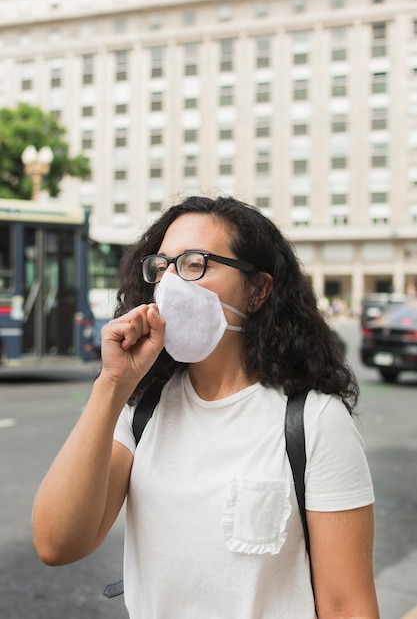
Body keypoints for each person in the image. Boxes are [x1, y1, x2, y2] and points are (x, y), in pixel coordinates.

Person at [32, 195, 380, 618]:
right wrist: (112, 384)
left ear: (258, 290)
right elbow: (57, 543)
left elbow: (348, 606)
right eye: (161, 266)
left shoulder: (313, 421)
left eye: (195, 263)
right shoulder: (143, 407)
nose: (171, 283)